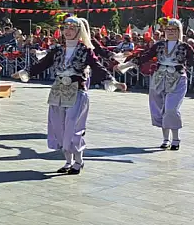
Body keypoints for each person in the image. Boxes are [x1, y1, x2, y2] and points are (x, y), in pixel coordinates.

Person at [14, 16, 126, 174]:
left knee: (73, 128)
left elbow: (97, 66)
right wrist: (25, 72)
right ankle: (68, 161)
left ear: (79, 31)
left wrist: (113, 81)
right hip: (58, 92)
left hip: (77, 92)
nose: (68, 31)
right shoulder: (58, 50)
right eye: (66, 28)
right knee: (59, 128)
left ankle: (78, 161)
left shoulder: (85, 50)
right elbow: (43, 63)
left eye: (72, 28)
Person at [118, 17, 194, 150]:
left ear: (179, 31)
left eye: (174, 30)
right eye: (168, 29)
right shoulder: (159, 45)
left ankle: (176, 138)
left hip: (177, 79)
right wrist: (128, 64)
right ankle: (165, 139)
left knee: (171, 108)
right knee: (161, 109)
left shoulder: (185, 47)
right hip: (159, 79)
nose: (171, 32)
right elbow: (145, 56)